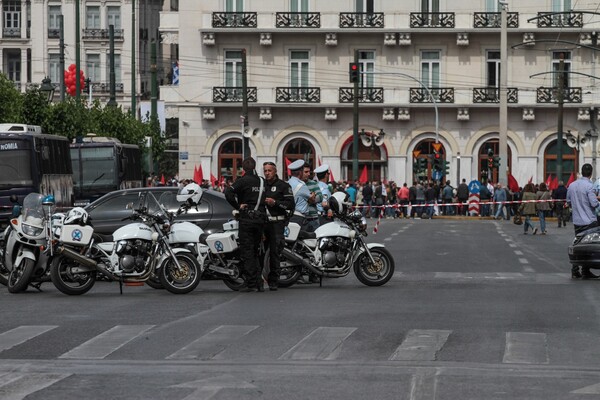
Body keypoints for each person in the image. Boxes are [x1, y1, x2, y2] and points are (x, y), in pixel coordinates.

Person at [224, 157, 267, 292]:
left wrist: (237, 206)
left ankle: (252, 283)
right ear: (255, 167)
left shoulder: (242, 181)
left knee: (247, 252)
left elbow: (228, 192)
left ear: (243, 168)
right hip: (260, 220)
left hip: (247, 219)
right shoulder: (262, 181)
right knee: (257, 251)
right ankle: (260, 283)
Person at [262, 161, 295, 291]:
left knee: (275, 253)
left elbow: (290, 204)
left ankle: (274, 281)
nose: (267, 173)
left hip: (277, 223)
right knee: (260, 252)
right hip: (263, 223)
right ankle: (259, 279)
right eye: (265, 171)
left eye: (269, 170)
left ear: (275, 171)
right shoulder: (262, 185)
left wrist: (274, 203)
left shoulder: (283, 186)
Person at [567, 163, 600, 279]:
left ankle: (575, 270)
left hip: (577, 221)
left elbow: (569, 201)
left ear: (582, 172)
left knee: (578, 243)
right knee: (588, 245)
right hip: (589, 221)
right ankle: (585, 270)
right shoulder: (589, 186)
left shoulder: (571, 185)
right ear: (591, 174)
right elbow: (594, 203)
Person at [287, 159, 314, 230]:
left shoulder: (288, 183)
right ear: (300, 172)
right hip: (299, 217)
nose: (308, 174)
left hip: (290, 216)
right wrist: (313, 195)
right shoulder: (301, 185)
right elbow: (312, 199)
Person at [303, 164, 322, 232]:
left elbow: (320, 197)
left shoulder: (313, 183)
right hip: (300, 219)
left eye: (309, 172)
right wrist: (309, 197)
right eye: (306, 172)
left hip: (313, 219)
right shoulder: (296, 184)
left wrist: (312, 199)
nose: (308, 174)